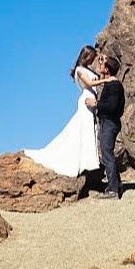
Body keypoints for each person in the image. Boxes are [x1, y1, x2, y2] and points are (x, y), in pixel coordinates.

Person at [21, 46, 101, 177]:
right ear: (86, 56)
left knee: (86, 130)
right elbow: (89, 84)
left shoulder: (88, 69)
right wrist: (107, 80)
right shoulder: (80, 70)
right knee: (82, 129)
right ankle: (81, 161)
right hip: (86, 101)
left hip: (92, 101)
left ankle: (87, 161)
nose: (93, 59)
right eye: (91, 57)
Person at [90, 55, 125, 199]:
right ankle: (117, 184)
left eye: (102, 64)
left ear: (107, 69)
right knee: (107, 153)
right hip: (109, 122)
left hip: (110, 123)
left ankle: (113, 190)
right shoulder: (111, 83)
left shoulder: (114, 85)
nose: (100, 65)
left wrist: (96, 104)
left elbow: (112, 106)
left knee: (107, 154)